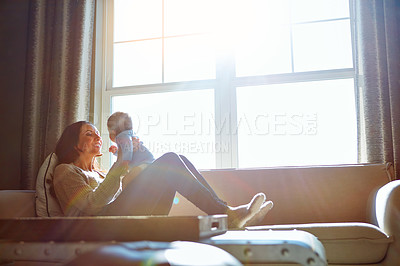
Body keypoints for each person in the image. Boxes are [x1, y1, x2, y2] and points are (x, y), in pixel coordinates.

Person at [53, 121, 273, 228]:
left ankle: (227, 213)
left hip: (120, 218)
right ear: (74, 144)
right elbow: (92, 206)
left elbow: (126, 190)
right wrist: (121, 163)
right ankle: (229, 216)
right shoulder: (65, 171)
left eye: (98, 134)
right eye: (89, 134)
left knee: (178, 160)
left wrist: (134, 155)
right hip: (98, 228)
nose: (98, 138)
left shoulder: (100, 173)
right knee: (169, 160)